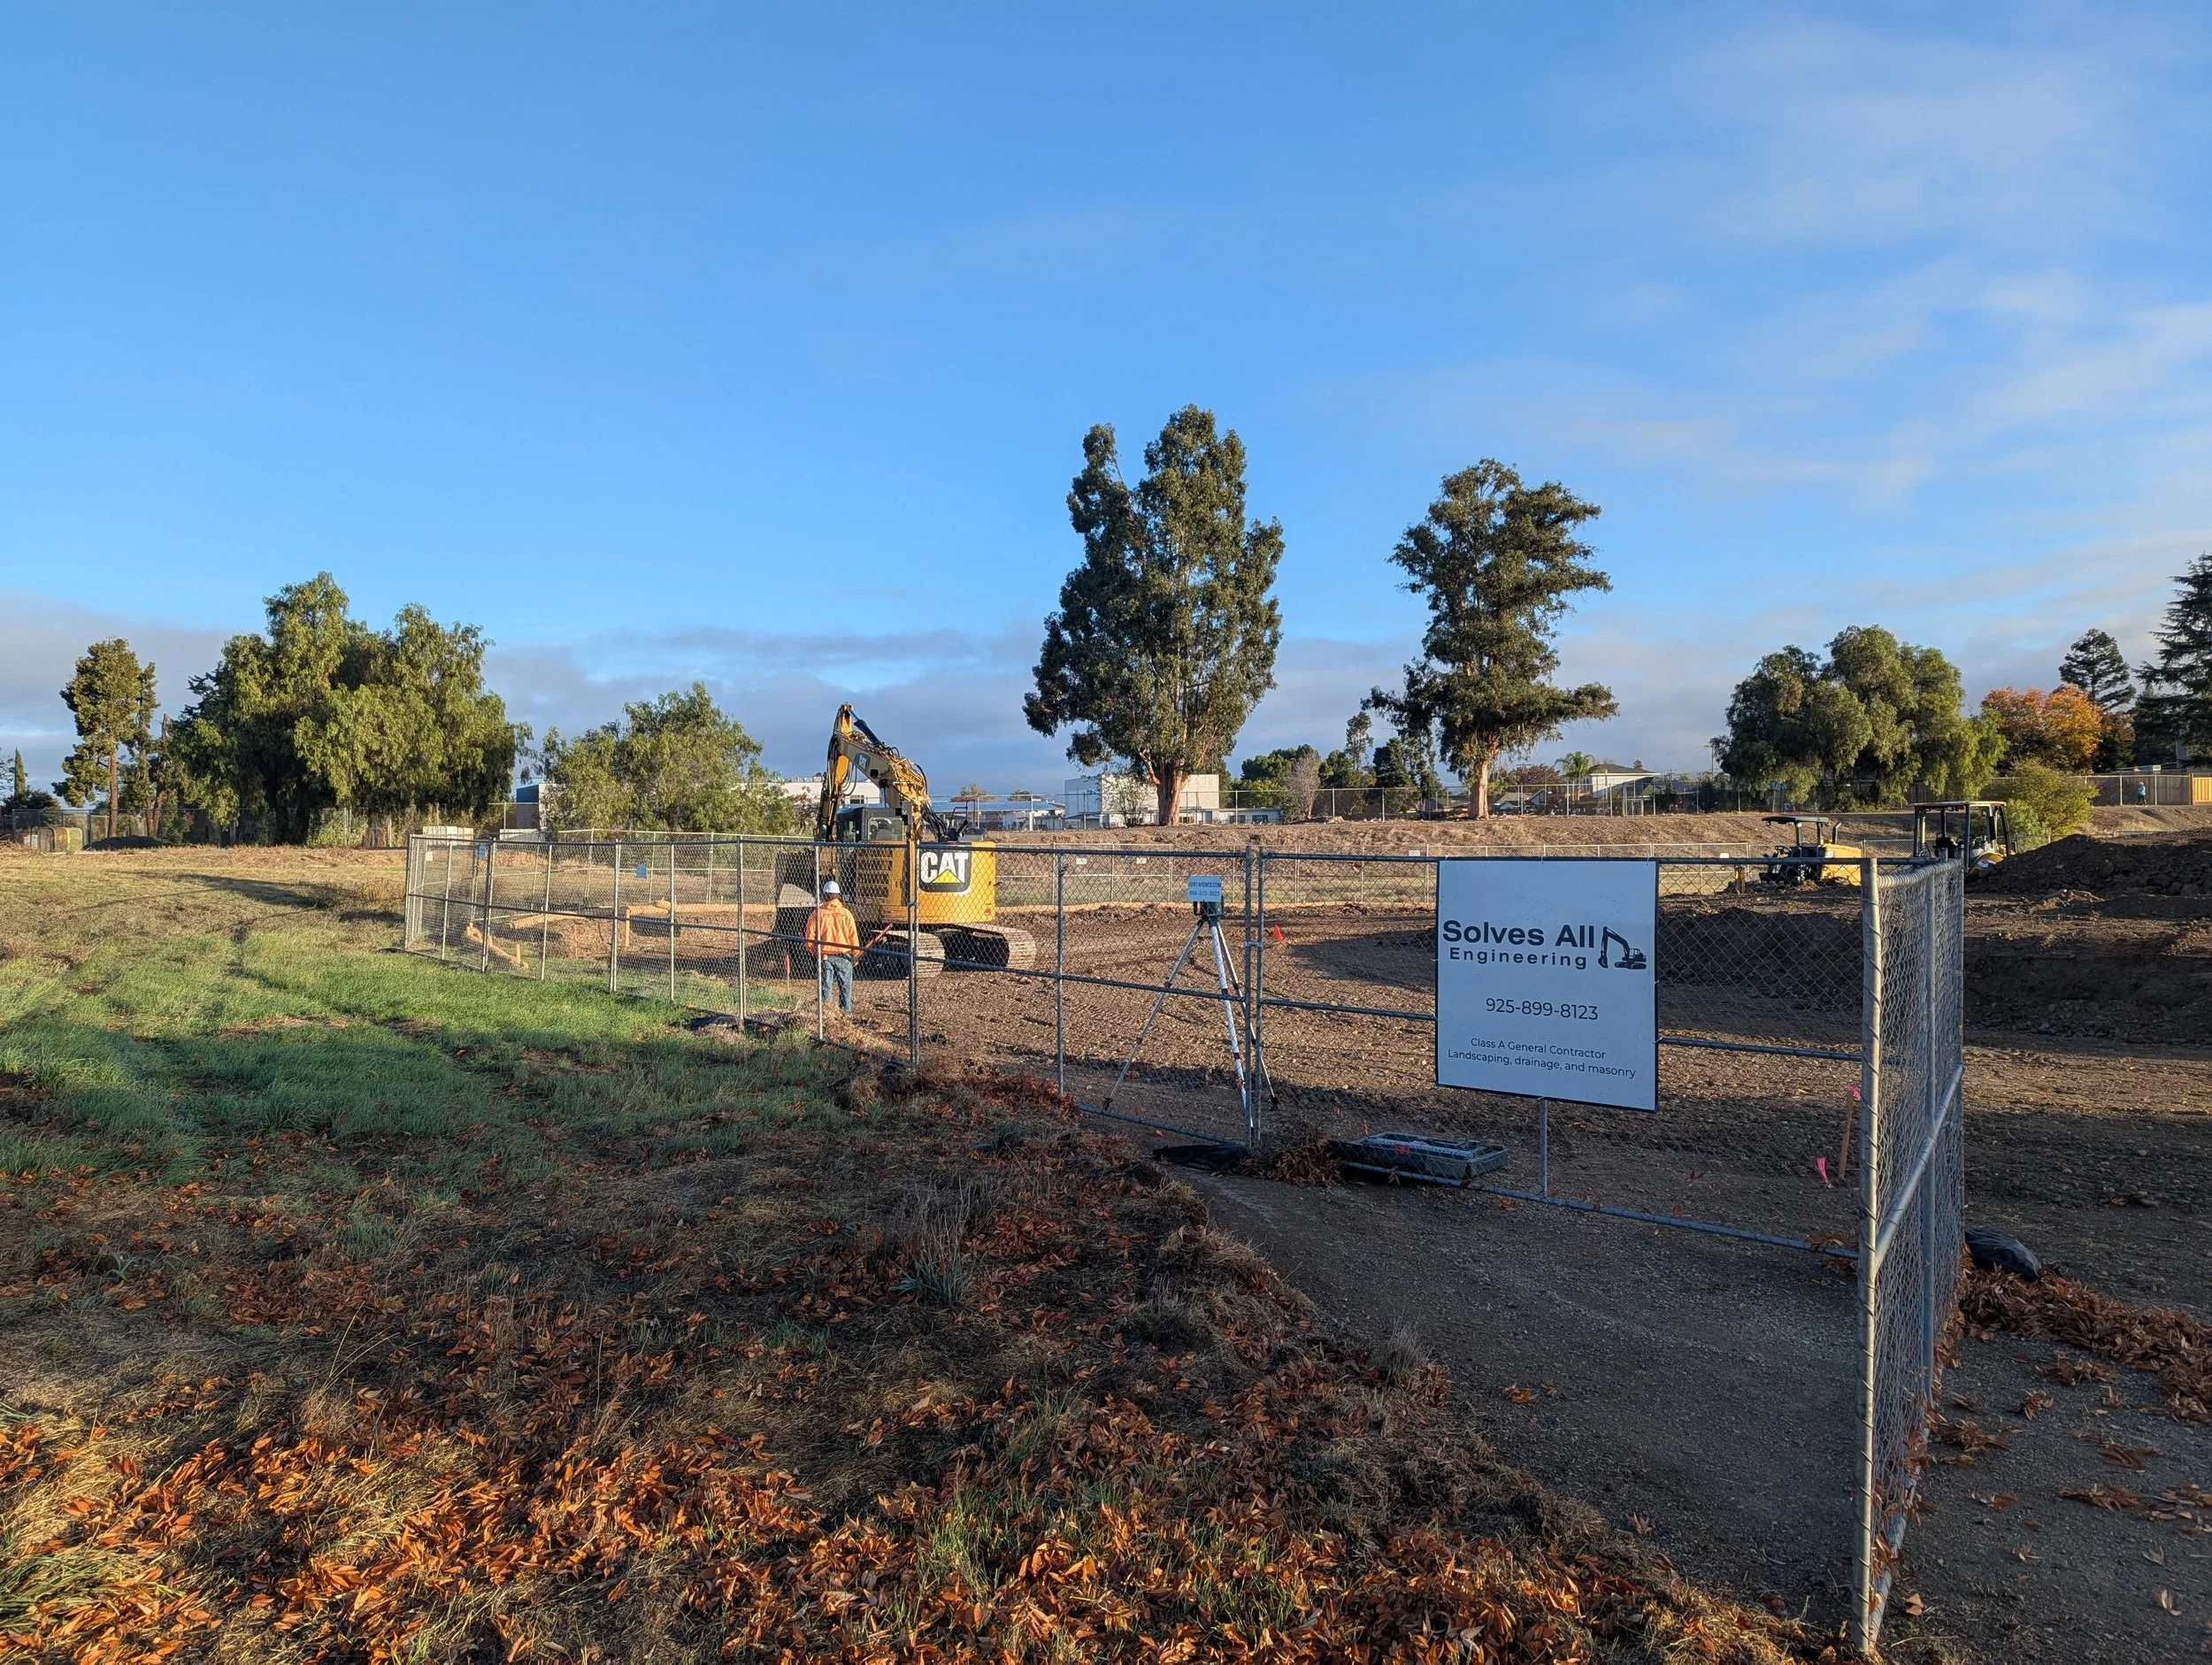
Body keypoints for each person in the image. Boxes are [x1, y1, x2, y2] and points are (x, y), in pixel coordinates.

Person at [804, 879, 861, 1014]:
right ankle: (846, 1014)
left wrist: (815, 952)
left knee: (825, 986)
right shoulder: (846, 913)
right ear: (838, 895)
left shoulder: (817, 914)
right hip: (844, 955)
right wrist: (856, 954)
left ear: (824, 895)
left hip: (825, 956)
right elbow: (853, 936)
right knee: (845, 986)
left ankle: (825, 1013)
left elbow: (809, 936)